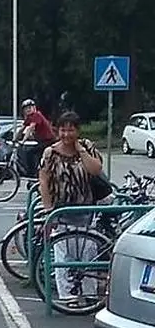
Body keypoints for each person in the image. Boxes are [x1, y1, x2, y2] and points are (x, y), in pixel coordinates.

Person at [37, 111, 106, 305]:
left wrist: (81, 151)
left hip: (86, 207)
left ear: (78, 130)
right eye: (63, 130)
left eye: (71, 130)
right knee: (63, 254)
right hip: (61, 210)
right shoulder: (50, 152)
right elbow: (44, 180)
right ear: (57, 130)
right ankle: (68, 296)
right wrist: (48, 209)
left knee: (88, 252)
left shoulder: (87, 146)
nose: (67, 134)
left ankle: (90, 293)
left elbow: (96, 170)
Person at [18, 99, 56, 176]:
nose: (28, 109)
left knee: (30, 153)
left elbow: (31, 128)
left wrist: (23, 141)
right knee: (38, 157)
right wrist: (15, 138)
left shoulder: (37, 115)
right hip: (42, 141)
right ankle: (38, 174)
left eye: (30, 107)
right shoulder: (29, 118)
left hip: (49, 141)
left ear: (34, 108)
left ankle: (32, 173)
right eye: (26, 108)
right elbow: (22, 129)